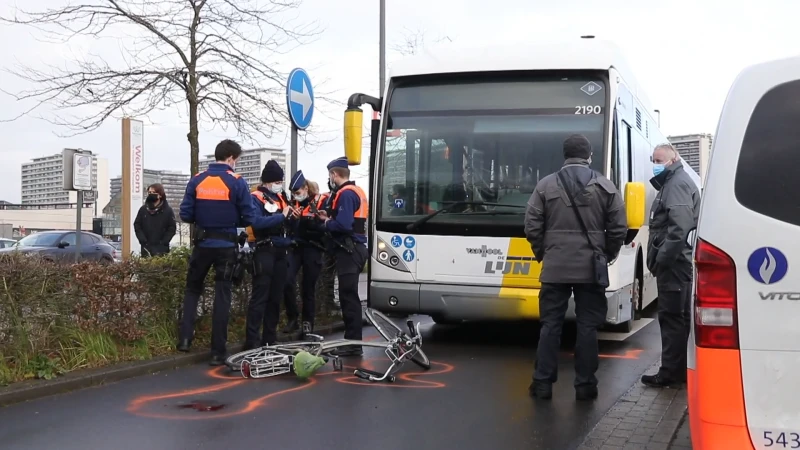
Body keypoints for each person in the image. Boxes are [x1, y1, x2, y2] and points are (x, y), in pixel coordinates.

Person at [524, 134, 627, 401]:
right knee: (588, 327)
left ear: (565, 155)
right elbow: (618, 228)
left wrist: (545, 253)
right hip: (591, 269)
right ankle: (585, 386)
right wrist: (605, 254)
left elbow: (532, 226)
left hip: (555, 267)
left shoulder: (545, 186)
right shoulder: (606, 187)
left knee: (550, 326)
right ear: (589, 155)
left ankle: (543, 384)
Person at [177, 139, 286, 365]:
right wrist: (279, 218)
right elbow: (250, 219)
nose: (236, 164)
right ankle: (218, 351)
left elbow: (186, 215)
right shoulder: (236, 182)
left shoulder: (197, 180)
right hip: (225, 247)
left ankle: (185, 340)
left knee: (192, 290)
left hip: (202, 244)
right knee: (222, 296)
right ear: (230, 158)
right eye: (236, 160)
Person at [640, 143, 700, 388]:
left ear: (673, 159)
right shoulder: (673, 182)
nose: (655, 164)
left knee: (673, 318)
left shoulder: (676, 185)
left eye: (659, 160)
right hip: (677, 264)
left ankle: (670, 374)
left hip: (675, 265)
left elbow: (679, 229)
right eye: (653, 159)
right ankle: (676, 370)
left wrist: (662, 259)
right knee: (676, 318)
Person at [317, 156, 369, 356]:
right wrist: (329, 217)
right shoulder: (357, 191)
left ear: (334, 174)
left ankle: (353, 343)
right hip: (355, 248)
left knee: (348, 297)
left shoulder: (346, 194)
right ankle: (352, 341)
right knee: (349, 296)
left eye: (329, 175)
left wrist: (326, 223)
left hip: (349, 249)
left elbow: (344, 225)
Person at [243, 160, 296, 350]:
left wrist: (292, 218)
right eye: (277, 181)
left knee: (275, 298)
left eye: (280, 181)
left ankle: (269, 338)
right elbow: (256, 222)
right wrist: (281, 216)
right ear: (267, 181)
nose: (279, 184)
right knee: (260, 298)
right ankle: (252, 341)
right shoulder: (255, 197)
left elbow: (286, 225)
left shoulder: (281, 198)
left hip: (282, 252)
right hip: (264, 251)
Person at [282, 170, 329, 334]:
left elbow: (325, 227)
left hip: (313, 248)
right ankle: (292, 317)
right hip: (296, 248)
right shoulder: (294, 204)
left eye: (297, 192)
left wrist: (308, 222)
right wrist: (293, 220)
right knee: (287, 281)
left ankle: (307, 322)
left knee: (307, 287)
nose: (296, 196)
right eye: (293, 194)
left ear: (306, 188)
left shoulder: (321, 201)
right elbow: (289, 228)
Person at [133, 183, 177, 257]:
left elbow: (172, 228)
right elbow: (137, 225)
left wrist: (164, 242)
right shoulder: (143, 210)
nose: (151, 194)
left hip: (162, 250)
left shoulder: (168, 210)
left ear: (160, 195)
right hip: (146, 248)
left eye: (153, 193)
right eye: (149, 193)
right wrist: (143, 240)